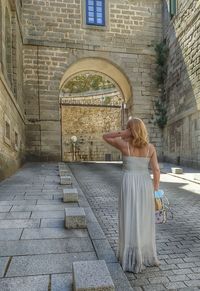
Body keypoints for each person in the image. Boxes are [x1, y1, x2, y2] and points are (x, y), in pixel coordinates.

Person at [102, 117, 160, 273]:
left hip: (129, 183)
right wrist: (156, 192)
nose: (125, 131)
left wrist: (122, 132)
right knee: (143, 218)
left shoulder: (124, 145)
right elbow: (156, 171)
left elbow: (106, 136)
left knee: (129, 215)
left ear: (131, 130)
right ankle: (144, 254)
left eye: (127, 128)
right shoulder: (151, 148)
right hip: (145, 185)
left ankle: (130, 254)